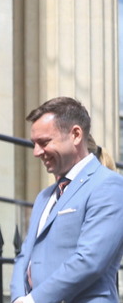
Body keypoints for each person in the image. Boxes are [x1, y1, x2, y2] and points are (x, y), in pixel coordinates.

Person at [11, 97, 123, 303]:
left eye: (44, 142)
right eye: (33, 144)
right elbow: (24, 255)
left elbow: (90, 260)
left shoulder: (109, 186)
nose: (36, 152)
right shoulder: (44, 196)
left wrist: (35, 300)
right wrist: (19, 298)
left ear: (76, 135)